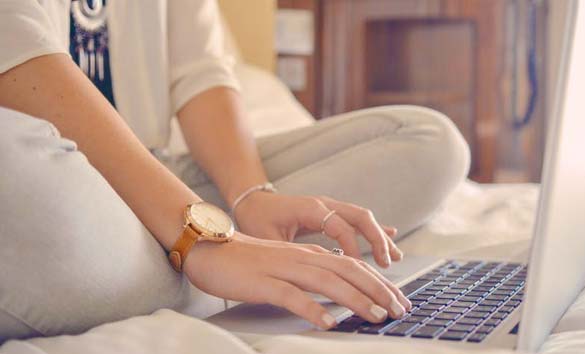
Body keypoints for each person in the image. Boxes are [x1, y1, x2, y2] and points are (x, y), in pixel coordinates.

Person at [0, 0, 470, 340]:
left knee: (427, 142)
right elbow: (20, 56)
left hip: (157, 169)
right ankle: (216, 263)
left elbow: (200, 71)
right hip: (51, 172)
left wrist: (250, 196)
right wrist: (201, 240)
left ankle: (213, 260)